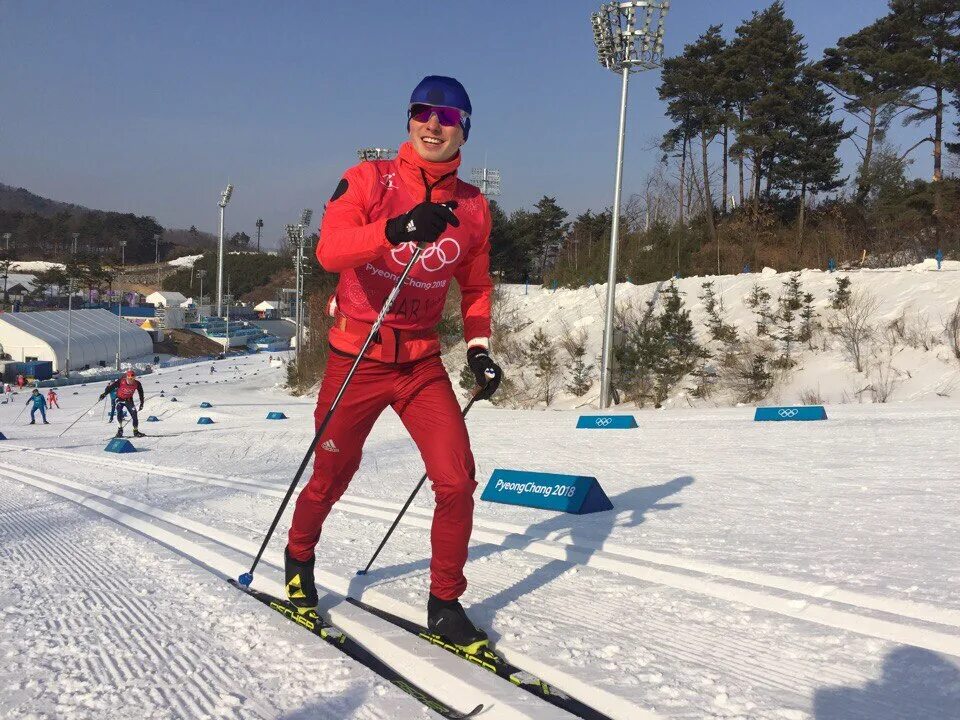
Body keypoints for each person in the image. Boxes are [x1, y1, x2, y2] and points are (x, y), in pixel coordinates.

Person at [284, 76, 502, 651]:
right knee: (332, 475)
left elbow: (476, 287)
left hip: (420, 364)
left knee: (456, 479)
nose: (434, 124)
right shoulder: (368, 180)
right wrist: (398, 228)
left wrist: (479, 349)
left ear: (465, 130)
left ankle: (445, 604)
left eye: (449, 116)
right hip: (355, 358)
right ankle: (299, 557)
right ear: (409, 120)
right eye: (423, 112)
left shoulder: (474, 208)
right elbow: (330, 251)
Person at [100, 370, 145, 438]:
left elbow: (141, 393)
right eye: (130, 379)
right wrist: (104, 394)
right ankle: (120, 431)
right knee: (119, 413)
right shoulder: (121, 381)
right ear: (127, 377)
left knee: (134, 414)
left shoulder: (137, 383)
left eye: (133, 379)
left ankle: (135, 431)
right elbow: (111, 387)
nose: (131, 380)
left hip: (129, 400)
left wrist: (142, 403)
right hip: (119, 399)